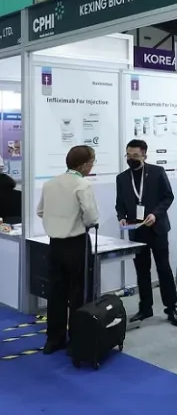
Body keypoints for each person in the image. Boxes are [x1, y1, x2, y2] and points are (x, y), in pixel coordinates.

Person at [36, 146, 99, 354]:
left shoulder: (50, 184)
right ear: (83, 164)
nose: (91, 166)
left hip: (55, 245)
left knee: (56, 293)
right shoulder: (82, 184)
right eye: (91, 162)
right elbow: (91, 217)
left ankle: (54, 339)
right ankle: (76, 339)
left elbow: (40, 211)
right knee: (78, 293)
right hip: (76, 244)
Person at [116, 139, 177, 327]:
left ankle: (171, 308)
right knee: (142, 271)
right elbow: (120, 203)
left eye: (135, 155)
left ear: (144, 155)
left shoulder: (157, 172)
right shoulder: (122, 178)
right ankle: (145, 307)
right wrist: (121, 217)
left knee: (164, 269)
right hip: (136, 231)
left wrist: (155, 214)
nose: (131, 158)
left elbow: (168, 197)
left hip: (157, 228)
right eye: (128, 155)